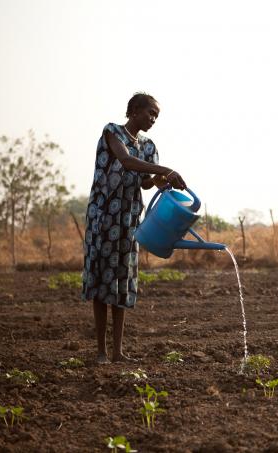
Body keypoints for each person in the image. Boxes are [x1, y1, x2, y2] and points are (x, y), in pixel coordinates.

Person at [81, 92, 186, 363]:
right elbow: (127, 162)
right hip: (103, 216)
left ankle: (118, 352)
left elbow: (145, 182)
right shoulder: (112, 132)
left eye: (156, 116)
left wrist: (161, 180)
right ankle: (101, 352)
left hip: (128, 219)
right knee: (102, 279)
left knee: (121, 280)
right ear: (135, 110)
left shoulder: (149, 146)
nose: (153, 119)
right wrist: (167, 169)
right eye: (150, 113)